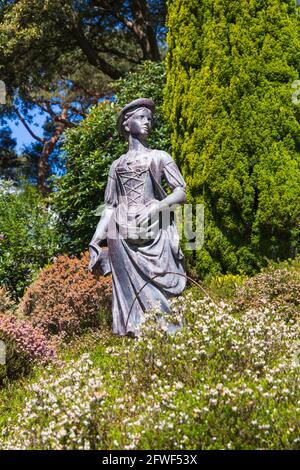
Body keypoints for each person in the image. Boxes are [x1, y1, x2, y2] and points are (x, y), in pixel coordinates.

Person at [89, 98, 187, 336]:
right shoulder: (116, 166)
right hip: (120, 235)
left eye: (150, 119)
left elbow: (181, 191)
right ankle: (136, 345)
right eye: (141, 117)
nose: (147, 123)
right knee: (127, 299)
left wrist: (157, 207)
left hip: (154, 233)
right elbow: (110, 206)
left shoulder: (160, 156)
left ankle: (171, 343)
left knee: (161, 292)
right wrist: (95, 240)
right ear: (126, 124)